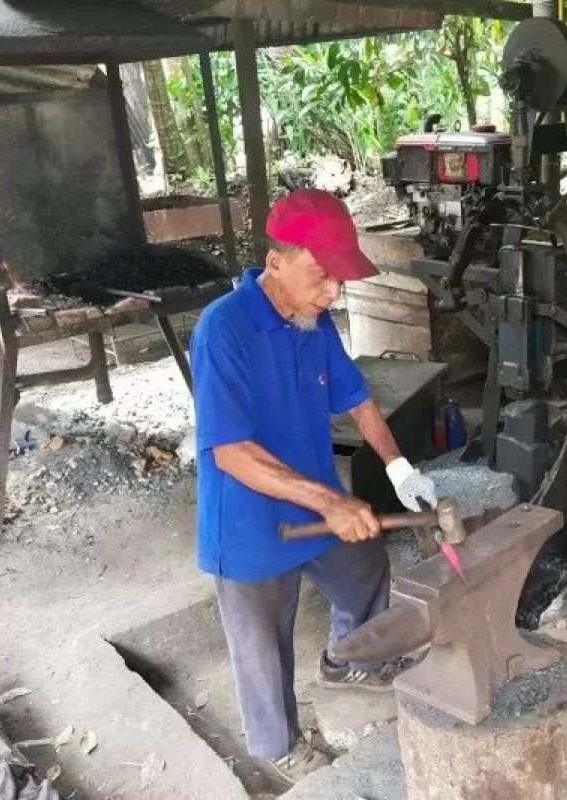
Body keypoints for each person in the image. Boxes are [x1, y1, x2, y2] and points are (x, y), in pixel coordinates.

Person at [190, 189, 438, 783]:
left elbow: (356, 398)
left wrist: (399, 467)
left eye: (338, 280)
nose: (333, 293)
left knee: (365, 565)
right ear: (276, 263)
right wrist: (334, 500)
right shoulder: (223, 330)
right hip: (251, 519)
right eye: (321, 276)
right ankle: (278, 748)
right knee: (262, 643)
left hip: (318, 502)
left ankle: (343, 657)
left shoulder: (312, 321)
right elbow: (231, 452)